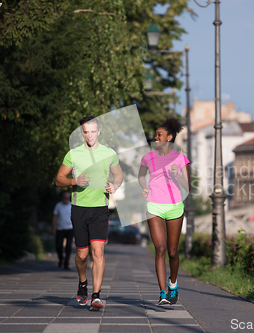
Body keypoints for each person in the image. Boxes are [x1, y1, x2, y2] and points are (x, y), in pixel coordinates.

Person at [55, 116, 123, 311]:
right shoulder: (73, 154)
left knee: (98, 252)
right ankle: (83, 282)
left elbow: (118, 174)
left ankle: (96, 296)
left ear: (99, 132)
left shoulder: (109, 153)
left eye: (93, 131)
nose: (90, 135)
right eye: (86, 132)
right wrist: (74, 182)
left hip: (100, 209)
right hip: (79, 209)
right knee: (82, 255)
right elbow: (59, 179)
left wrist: (115, 185)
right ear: (82, 133)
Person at [138, 117, 190, 305]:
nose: (156, 137)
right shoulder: (148, 158)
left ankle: (173, 283)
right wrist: (143, 187)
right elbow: (141, 176)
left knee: (173, 252)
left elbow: (187, 186)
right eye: (155, 135)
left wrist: (177, 176)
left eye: (159, 135)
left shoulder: (180, 158)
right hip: (154, 205)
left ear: (169, 137)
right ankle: (162, 292)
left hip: (175, 206)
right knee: (160, 249)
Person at [52, 191, 74, 270]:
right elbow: (54, 217)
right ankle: (61, 258)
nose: (66, 199)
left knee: (68, 246)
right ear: (62, 198)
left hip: (70, 228)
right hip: (60, 228)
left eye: (68, 198)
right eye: (65, 198)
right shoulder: (58, 205)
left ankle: (66, 263)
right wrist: (53, 228)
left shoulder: (71, 205)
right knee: (58, 245)